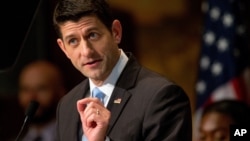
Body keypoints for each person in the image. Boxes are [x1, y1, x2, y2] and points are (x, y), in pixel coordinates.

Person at [52, 0, 192, 140]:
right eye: (73, 41)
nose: (86, 51)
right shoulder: (67, 105)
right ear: (64, 48)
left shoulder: (161, 96)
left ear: (115, 32)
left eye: (93, 35)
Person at [17, 60, 66, 141]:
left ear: (60, 93)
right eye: (25, 89)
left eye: (40, 89)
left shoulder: (75, 136)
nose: (32, 97)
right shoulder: (16, 138)